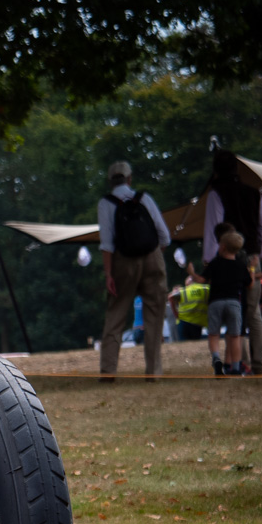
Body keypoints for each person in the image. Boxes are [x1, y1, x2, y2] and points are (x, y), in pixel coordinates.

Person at [98, 161, 170, 380]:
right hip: (152, 257)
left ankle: (109, 372)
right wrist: (153, 256)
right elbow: (164, 236)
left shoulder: (106, 203)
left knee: (116, 315)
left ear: (111, 181)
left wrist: (109, 274)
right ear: (130, 179)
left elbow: (107, 244)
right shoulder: (145, 199)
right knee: (155, 315)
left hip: (123, 261)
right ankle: (153, 372)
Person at [203, 151, 262, 373]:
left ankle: (241, 363)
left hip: (227, 260)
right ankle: (260, 363)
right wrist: (259, 255)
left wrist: (209, 261)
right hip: (251, 257)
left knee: (235, 311)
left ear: (215, 170)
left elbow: (214, 230)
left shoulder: (216, 193)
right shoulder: (254, 193)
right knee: (253, 312)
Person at [203, 231, 252, 376]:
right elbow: (249, 284)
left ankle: (216, 358)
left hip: (215, 302)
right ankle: (236, 368)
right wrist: (253, 269)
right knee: (234, 336)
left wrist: (192, 273)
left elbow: (202, 279)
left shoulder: (215, 263)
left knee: (214, 334)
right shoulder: (240, 265)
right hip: (234, 303)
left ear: (222, 247)